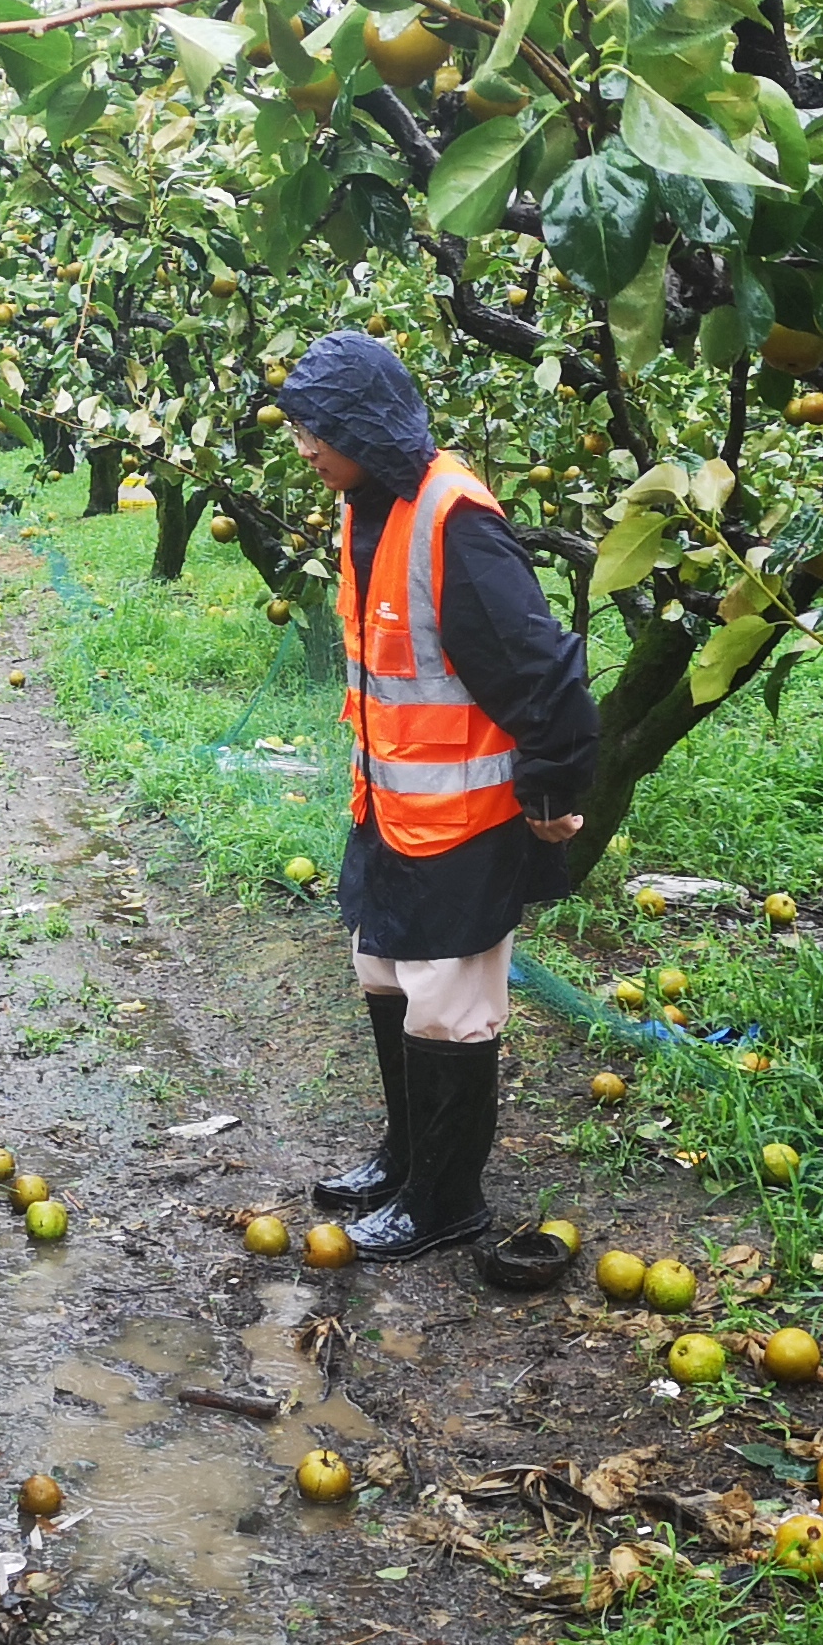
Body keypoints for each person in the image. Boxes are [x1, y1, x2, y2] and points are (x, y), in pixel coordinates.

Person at [281, 333, 600, 1258]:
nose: (306, 448)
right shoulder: (366, 503)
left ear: (365, 427)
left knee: (449, 1003)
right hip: (391, 804)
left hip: (466, 813)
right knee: (381, 970)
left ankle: (446, 1198)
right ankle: (407, 1156)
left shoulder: (454, 520)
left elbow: (544, 672)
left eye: (319, 431)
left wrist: (550, 793)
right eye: (302, 429)